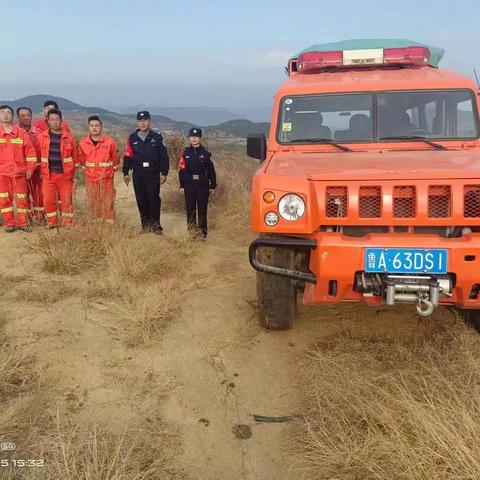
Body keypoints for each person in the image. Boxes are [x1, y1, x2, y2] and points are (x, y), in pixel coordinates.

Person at [122, 111, 169, 234]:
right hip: (138, 173)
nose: (142, 123)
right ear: (138, 122)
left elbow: (164, 156)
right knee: (141, 199)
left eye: (145, 120)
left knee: (153, 199)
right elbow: (127, 156)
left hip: (152, 172)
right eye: (140, 120)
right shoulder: (132, 138)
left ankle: (156, 225)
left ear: (149, 121)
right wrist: (125, 172)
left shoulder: (157, 137)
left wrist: (164, 172)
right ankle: (146, 226)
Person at [37, 109, 79, 228]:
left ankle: (68, 223)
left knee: (66, 200)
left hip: (65, 176)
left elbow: (75, 157)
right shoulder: (42, 136)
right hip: (48, 175)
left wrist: (73, 175)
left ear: (61, 121)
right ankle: (52, 222)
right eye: (52, 120)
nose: (55, 122)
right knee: (48, 200)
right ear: (48, 121)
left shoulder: (69, 137)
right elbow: (38, 154)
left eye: (57, 119)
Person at [0, 105, 37, 232]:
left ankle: (23, 222)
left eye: (8, 112)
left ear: (12, 116)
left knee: (22, 199)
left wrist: (30, 169)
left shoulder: (21, 133)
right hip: (2, 174)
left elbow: (31, 153)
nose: (5, 114)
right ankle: (10, 223)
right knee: (4, 198)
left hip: (19, 173)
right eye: (2, 112)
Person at [79, 115, 120, 223]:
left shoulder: (110, 142)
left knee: (108, 202)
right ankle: (96, 224)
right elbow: (82, 160)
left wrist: (111, 171)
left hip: (106, 178)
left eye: (97, 125)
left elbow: (116, 159)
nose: (94, 128)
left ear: (101, 127)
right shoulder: (83, 143)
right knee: (93, 202)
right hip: (91, 179)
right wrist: (88, 171)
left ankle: (110, 225)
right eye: (92, 125)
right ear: (88, 127)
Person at [179, 128, 216, 240]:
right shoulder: (185, 153)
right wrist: (182, 185)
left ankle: (202, 234)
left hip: (202, 185)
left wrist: (213, 185)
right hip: (189, 185)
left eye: (196, 136)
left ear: (200, 138)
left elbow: (211, 170)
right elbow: (182, 170)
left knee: (202, 210)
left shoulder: (205, 153)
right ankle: (191, 233)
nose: (194, 138)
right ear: (189, 138)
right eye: (192, 136)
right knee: (190, 210)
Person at [17, 107, 44, 221]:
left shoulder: (39, 133)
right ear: (18, 117)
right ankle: (26, 219)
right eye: (22, 115)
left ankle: (40, 217)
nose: (26, 117)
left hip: (37, 168)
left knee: (38, 193)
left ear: (31, 116)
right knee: (23, 194)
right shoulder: (14, 132)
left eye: (28, 115)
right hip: (20, 169)